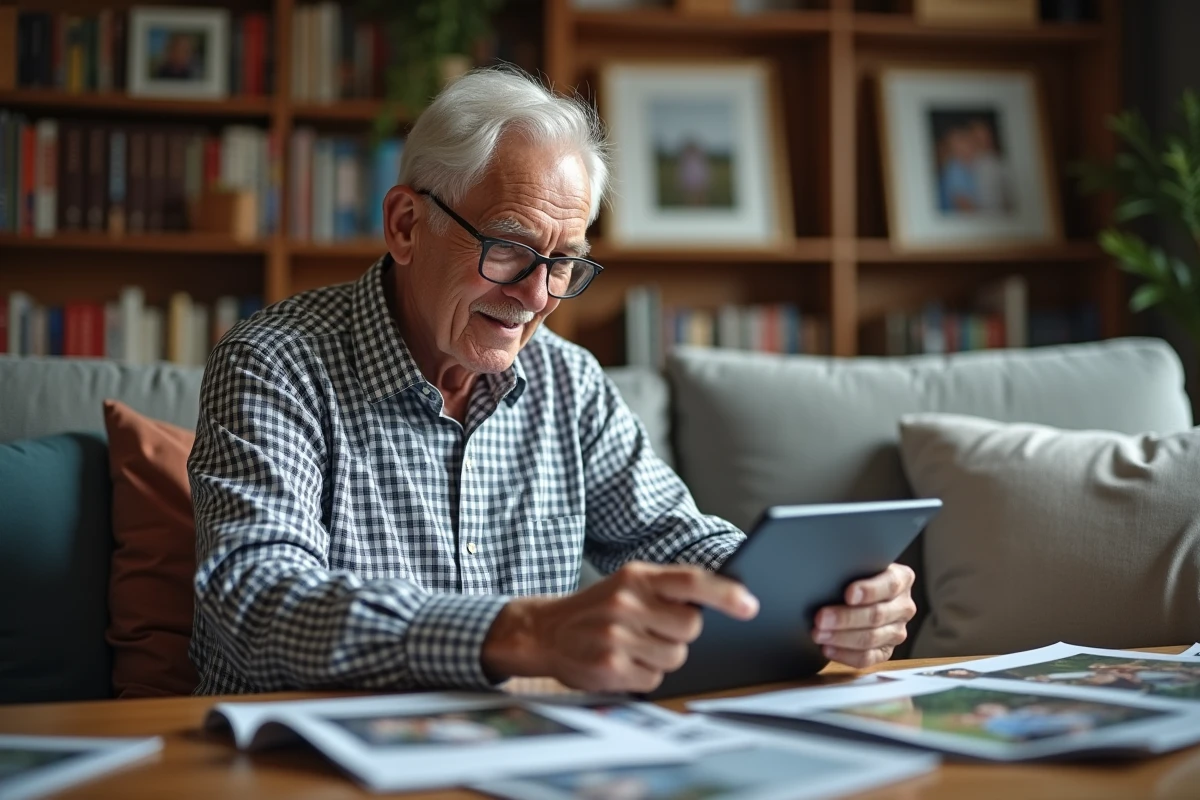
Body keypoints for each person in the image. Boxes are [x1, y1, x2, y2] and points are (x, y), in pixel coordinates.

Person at [187, 67, 918, 695]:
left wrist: (819, 597)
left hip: (517, 745)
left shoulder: (567, 380)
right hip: (300, 755)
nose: (538, 296)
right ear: (406, 224)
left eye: (564, 262)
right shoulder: (272, 363)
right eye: (508, 248)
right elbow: (256, 600)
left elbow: (671, 537)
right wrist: (525, 630)